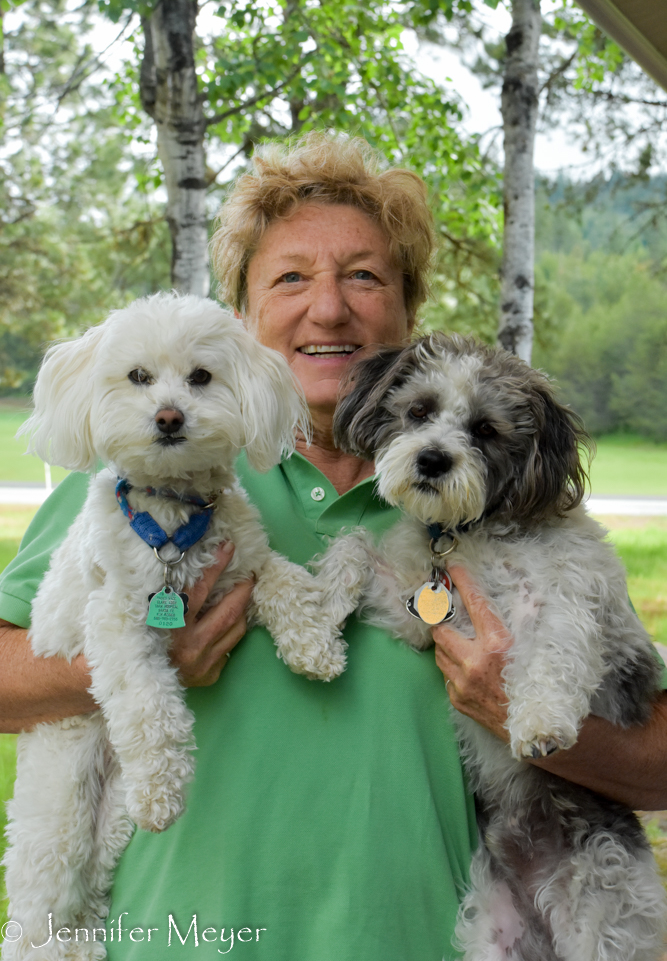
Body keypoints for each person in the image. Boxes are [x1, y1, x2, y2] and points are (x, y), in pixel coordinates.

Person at [1, 133, 666, 961]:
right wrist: (140, 654)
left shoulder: (499, 521)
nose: (327, 310)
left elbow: (658, 757)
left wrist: (534, 716)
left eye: (362, 276)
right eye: (289, 278)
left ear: (406, 310)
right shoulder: (142, 476)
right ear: (241, 313)